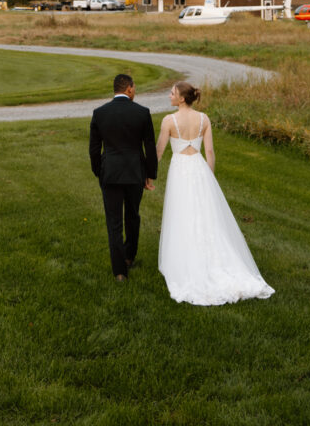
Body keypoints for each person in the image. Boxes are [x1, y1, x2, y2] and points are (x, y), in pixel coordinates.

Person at [156, 81, 275, 306]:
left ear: (181, 98)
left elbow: (159, 150)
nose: (169, 96)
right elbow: (209, 151)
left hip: (180, 170)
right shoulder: (204, 119)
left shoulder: (169, 121)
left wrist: (149, 175)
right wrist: (209, 178)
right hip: (199, 169)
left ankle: (185, 262)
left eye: (172, 93)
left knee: (182, 213)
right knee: (204, 215)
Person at [89, 72, 158, 281]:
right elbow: (149, 147)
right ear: (129, 88)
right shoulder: (142, 112)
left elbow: (94, 148)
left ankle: (119, 271)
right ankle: (129, 256)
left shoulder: (100, 113)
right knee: (132, 216)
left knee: (114, 222)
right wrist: (149, 174)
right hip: (135, 172)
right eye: (134, 88)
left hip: (110, 173)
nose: (134, 91)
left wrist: (98, 171)